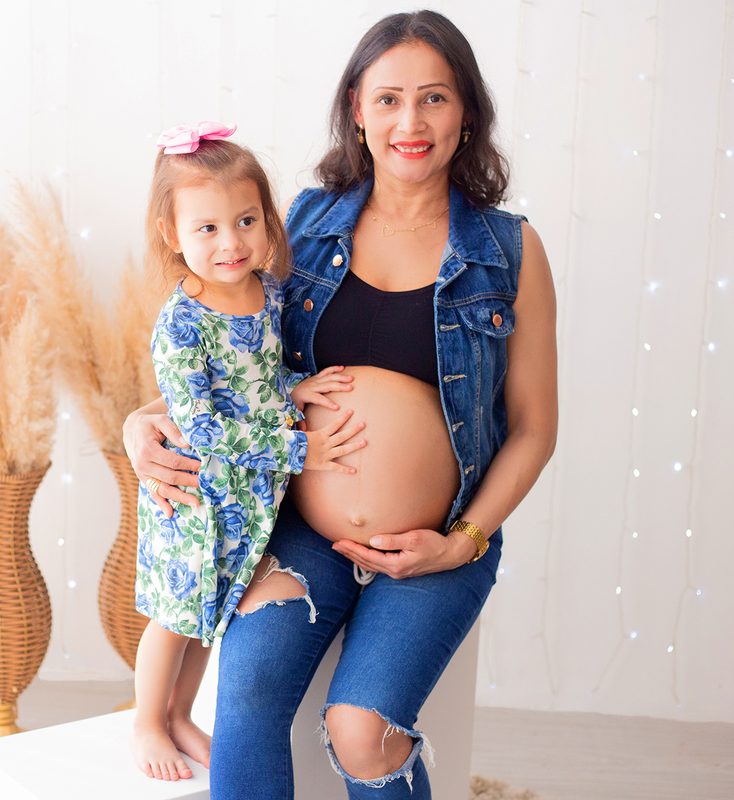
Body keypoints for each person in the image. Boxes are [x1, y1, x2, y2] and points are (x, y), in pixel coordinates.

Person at [124, 11, 558, 800]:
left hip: (437, 539)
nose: (411, 122)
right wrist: (138, 421)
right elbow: (239, 360)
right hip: (299, 528)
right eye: (389, 99)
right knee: (247, 694)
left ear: (467, 113)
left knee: (359, 731)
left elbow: (533, 428)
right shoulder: (310, 223)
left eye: (435, 98)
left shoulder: (509, 252)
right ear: (357, 109)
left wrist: (461, 541)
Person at [129, 122, 368, 783]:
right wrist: (302, 449)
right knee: (176, 618)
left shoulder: (270, 294)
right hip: (195, 499)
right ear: (172, 235)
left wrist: (300, 386)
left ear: (266, 220)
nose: (231, 242)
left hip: (248, 505)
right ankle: (147, 718)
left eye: (245, 220)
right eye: (207, 229)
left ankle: (181, 714)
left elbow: (255, 383)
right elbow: (204, 429)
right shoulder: (181, 324)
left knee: (215, 613)